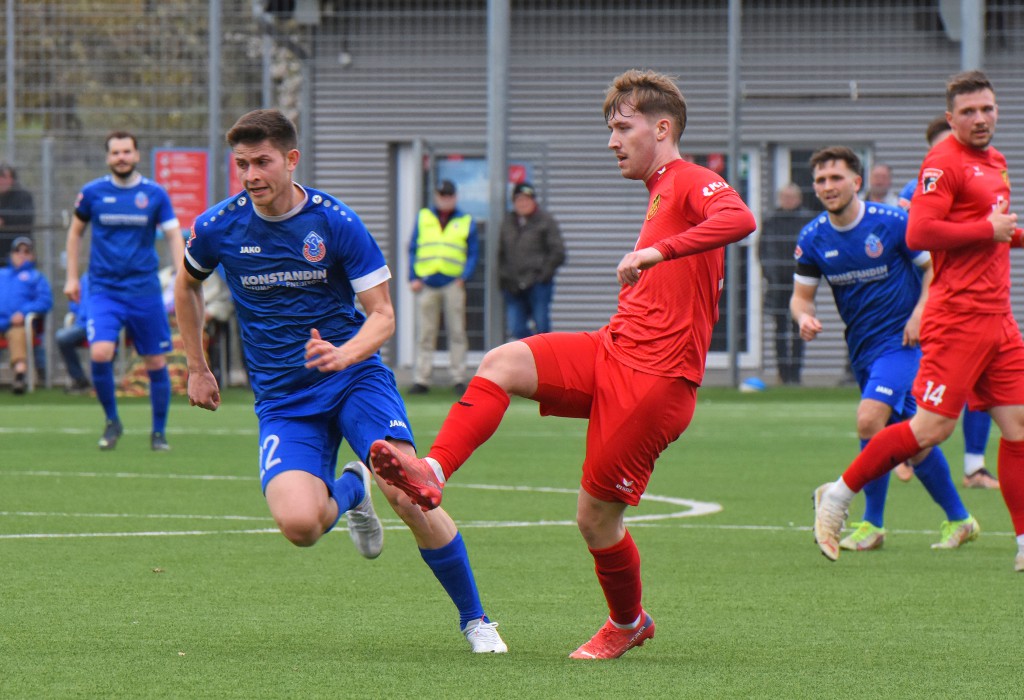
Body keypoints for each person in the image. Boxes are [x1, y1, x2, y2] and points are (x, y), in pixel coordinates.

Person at [369, 69, 756, 658]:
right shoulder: (661, 189)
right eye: (610, 129)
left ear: (662, 128)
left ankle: (628, 622)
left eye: (622, 128)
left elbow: (740, 218)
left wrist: (657, 250)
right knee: (502, 362)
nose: (612, 141)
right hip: (611, 350)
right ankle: (433, 471)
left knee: (595, 520)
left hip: (654, 381)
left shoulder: (690, 179)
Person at [174, 109, 507, 653]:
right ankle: (353, 489)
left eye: (262, 162)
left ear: (291, 159)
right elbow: (185, 286)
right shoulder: (218, 227)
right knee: (300, 526)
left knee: (408, 492)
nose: (251, 175)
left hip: (355, 379)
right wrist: (197, 366)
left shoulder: (334, 222)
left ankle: (476, 620)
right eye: (242, 164)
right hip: (283, 398)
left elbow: (383, 315)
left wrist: (344, 354)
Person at [812, 71, 1024, 573]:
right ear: (951, 118)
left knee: (1018, 429)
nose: (980, 118)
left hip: (998, 317)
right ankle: (838, 496)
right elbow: (921, 232)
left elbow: (997, 232)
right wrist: (987, 228)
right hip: (958, 318)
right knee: (929, 429)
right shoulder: (942, 163)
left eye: (987, 109)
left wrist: (1005, 232)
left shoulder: (995, 161)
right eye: (968, 112)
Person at [792, 146, 977, 552]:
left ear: (857, 182)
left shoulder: (893, 222)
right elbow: (800, 298)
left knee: (869, 420)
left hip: (904, 343)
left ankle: (869, 521)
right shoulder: (812, 238)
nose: (828, 186)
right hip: (863, 349)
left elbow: (934, 269)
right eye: (821, 180)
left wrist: (921, 313)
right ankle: (960, 518)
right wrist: (804, 317)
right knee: (911, 438)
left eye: (836, 178)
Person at [895, 115, 998, 490]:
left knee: (981, 388)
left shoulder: (982, 180)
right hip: (931, 301)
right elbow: (911, 244)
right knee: (921, 384)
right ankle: (904, 449)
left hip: (975, 303)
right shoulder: (917, 190)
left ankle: (974, 467)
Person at [64, 130, 184, 451]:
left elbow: (173, 234)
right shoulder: (92, 193)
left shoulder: (154, 194)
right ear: (108, 157)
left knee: (155, 361)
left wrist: (181, 276)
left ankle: (158, 433)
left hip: (145, 291)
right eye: (115, 152)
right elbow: (75, 234)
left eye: (127, 152)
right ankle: (112, 421)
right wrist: (72, 278)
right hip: (104, 289)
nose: (121, 158)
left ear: (136, 155)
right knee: (100, 352)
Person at [407, 179, 479, 395]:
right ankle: (422, 379)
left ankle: (458, 377)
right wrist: (413, 276)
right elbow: (413, 248)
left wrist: (464, 276)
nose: (445, 200)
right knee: (425, 332)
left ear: (455, 197)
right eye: (442, 196)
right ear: (436, 197)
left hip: (452, 282)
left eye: (449, 196)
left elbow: (473, 252)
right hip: (427, 282)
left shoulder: (465, 220)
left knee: (457, 331)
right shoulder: (424, 216)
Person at [758, 183, 812, 385]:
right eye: (785, 197)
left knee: (800, 327)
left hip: (801, 282)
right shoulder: (771, 220)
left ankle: (796, 374)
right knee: (779, 328)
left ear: (799, 199)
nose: (788, 201)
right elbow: (763, 250)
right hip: (777, 283)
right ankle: (782, 373)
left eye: (792, 197)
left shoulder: (806, 219)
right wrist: (770, 275)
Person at [498, 182, 566, 339]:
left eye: (527, 199)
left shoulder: (545, 221)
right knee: (516, 328)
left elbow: (558, 252)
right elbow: (501, 254)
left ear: (534, 200)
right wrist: (504, 280)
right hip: (513, 287)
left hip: (538, 285)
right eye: (519, 200)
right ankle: (531, 351)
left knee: (542, 327)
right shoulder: (508, 222)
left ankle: (543, 353)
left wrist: (542, 275)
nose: (523, 203)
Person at [0, 236, 52, 394]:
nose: (21, 254)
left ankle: (19, 375)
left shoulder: (36, 277)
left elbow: (45, 301)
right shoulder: (2, 274)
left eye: (26, 251)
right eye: (18, 251)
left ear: (32, 256)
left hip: (20, 324)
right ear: (11, 254)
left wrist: (24, 312)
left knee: (17, 334)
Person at [56, 272, 92, 394]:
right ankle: (79, 379)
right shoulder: (85, 279)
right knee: (62, 337)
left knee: (106, 342)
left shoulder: (113, 276)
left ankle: (102, 381)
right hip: (83, 325)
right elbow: (74, 302)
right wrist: (79, 312)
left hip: (105, 324)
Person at [0, 163, 35, 259]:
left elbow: (26, 217)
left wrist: (4, 219)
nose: (1, 181)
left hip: (18, 250)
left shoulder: (23, 196)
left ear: (12, 179)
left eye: (4, 177)